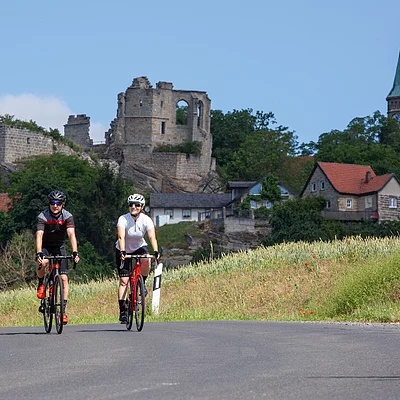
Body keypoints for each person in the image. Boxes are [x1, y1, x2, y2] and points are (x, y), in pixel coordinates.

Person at [35, 190, 80, 325]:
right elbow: (39, 235)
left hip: (59, 247)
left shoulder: (67, 216)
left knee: (64, 278)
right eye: (53, 203)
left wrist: (75, 251)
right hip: (46, 246)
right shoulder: (43, 216)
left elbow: (71, 234)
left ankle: (63, 311)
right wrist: (39, 252)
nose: (55, 206)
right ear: (49, 203)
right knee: (42, 263)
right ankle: (41, 283)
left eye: (58, 203)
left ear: (63, 204)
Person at [115, 193, 160, 323]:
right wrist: (123, 251)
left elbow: (152, 237)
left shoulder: (146, 220)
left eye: (137, 205)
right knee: (124, 281)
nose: (133, 207)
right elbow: (121, 237)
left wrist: (155, 250)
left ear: (142, 207)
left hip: (139, 246)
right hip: (123, 248)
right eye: (131, 205)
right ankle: (123, 311)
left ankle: (142, 283)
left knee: (146, 259)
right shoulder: (123, 219)